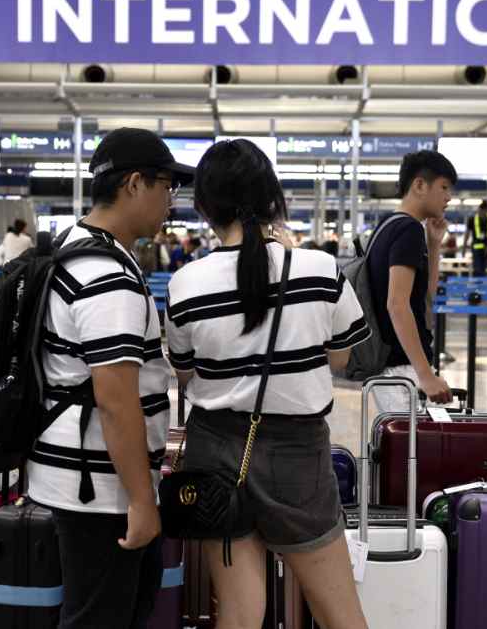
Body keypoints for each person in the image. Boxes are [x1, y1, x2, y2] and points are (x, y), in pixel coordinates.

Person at [166, 139, 370, 629]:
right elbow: (339, 358)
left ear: (204, 208)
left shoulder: (186, 283)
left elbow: (185, 370)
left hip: (214, 452)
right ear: (273, 198)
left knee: (238, 613)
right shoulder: (321, 271)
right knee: (340, 614)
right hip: (296, 457)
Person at [26, 127, 193, 628]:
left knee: (108, 609)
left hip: (81, 471)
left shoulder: (73, 246)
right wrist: (142, 501)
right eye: (168, 186)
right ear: (136, 183)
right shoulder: (107, 275)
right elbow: (116, 399)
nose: (171, 200)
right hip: (98, 485)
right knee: (101, 617)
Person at [367, 150, 455, 409]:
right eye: (443, 187)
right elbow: (396, 304)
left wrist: (434, 245)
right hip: (402, 369)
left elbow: (423, 296)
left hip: (394, 367)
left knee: (408, 447)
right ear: (419, 185)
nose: (448, 197)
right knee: (415, 449)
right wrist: (425, 374)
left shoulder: (389, 225)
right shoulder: (408, 230)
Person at [463, 201, 487, 277]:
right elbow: (467, 234)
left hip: (486, 247)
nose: (483, 212)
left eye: (485, 210)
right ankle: (478, 281)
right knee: (477, 268)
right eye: (481, 210)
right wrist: (464, 248)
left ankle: (482, 282)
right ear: (479, 209)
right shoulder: (472, 220)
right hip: (476, 247)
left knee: (483, 268)